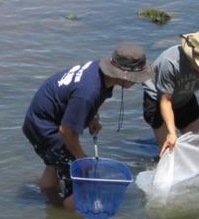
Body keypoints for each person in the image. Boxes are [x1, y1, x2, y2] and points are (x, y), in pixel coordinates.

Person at [23, 43, 154, 212]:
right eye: (137, 78)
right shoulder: (88, 92)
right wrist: (80, 157)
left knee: (53, 166)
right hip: (48, 129)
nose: (137, 82)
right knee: (81, 188)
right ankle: (71, 211)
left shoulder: (98, 72)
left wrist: (92, 117)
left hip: (35, 121)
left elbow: (80, 99)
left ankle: (50, 203)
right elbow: (66, 131)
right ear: (123, 75)